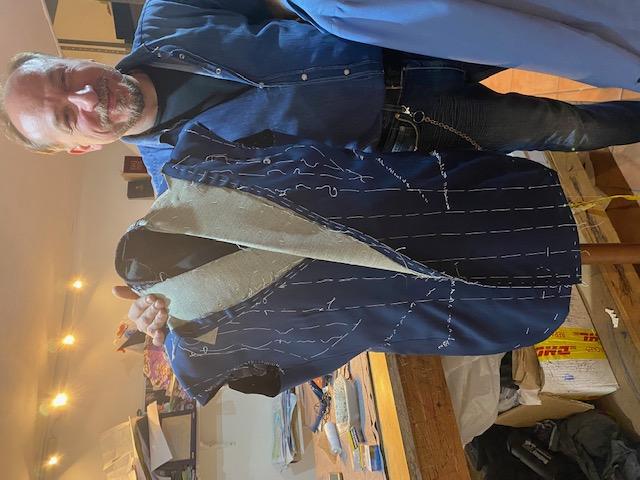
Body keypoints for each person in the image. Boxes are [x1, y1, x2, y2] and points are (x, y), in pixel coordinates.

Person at [1, 0, 639, 345]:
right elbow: (250, 266)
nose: (83, 96)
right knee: (569, 128)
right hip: (413, 131)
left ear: (72, 58)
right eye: (66, 116)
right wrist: (172, 308)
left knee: (556, 26)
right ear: (78, 149)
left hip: (407, 37)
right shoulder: (184, 186)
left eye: (64, 77)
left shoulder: (170, 15)